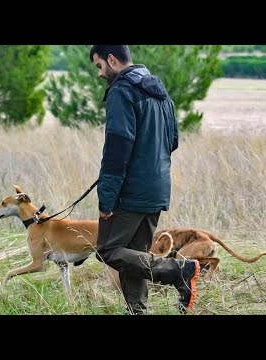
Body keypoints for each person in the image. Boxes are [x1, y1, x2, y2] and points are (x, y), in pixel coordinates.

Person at [90, 45, 200, 315]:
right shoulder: (160, 92)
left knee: (108, 250)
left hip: (130, 191)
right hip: (157, 187)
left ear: (112, 59)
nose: (100, 74)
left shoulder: (121, 91)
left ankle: (180, 271)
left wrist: (106, 198)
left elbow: (118, 150)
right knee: (134, 255)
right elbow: (173, 141)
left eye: (99, 66)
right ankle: (137, 311)